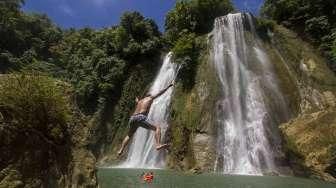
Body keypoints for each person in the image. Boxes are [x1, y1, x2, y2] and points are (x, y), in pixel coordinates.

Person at [117, 83, 173, 156]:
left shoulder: (140, 101)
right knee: (157, 128)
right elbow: (160, 93)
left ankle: (121, 150)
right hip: (141, 117)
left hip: (132, 118)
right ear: (149, 96)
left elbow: (137, 101)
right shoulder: (150, 98)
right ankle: (158, 144)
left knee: (129, 134)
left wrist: (136, 99)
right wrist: (168, 86)